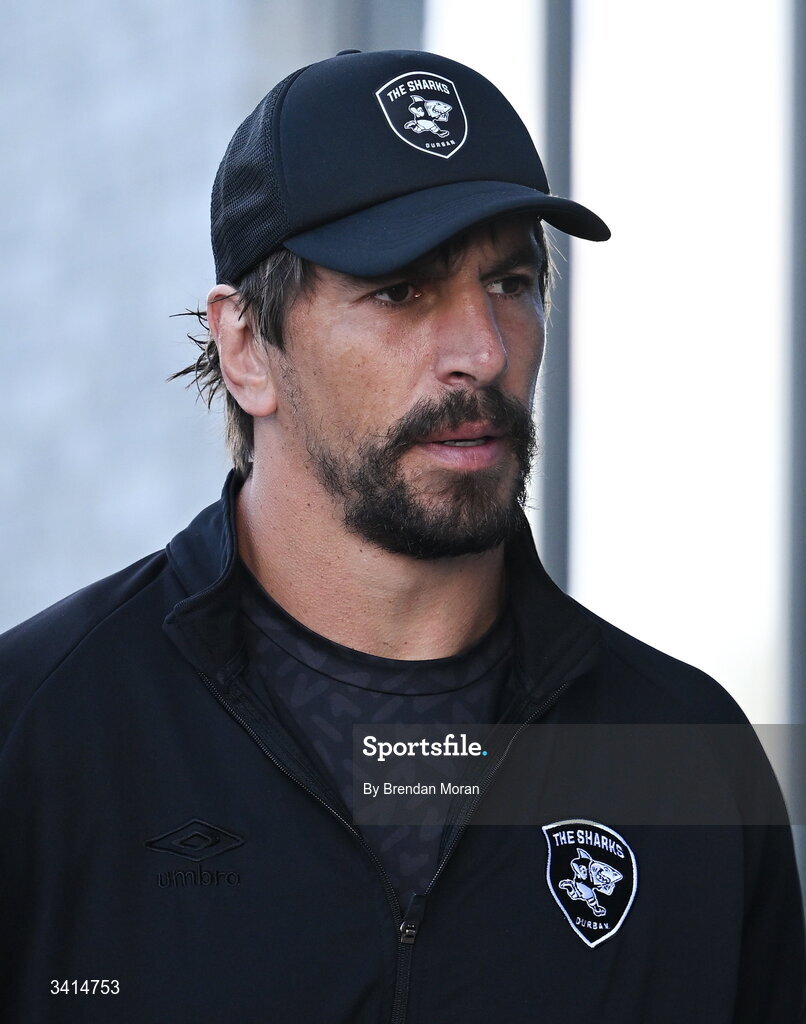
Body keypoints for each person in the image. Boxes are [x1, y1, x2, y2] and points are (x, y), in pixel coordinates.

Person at [1, 48, 803, 1024]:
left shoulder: (682, 758)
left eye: (510, 281)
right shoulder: (42, 740)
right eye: (401, 292)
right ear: (247, 346)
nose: (483, 349)